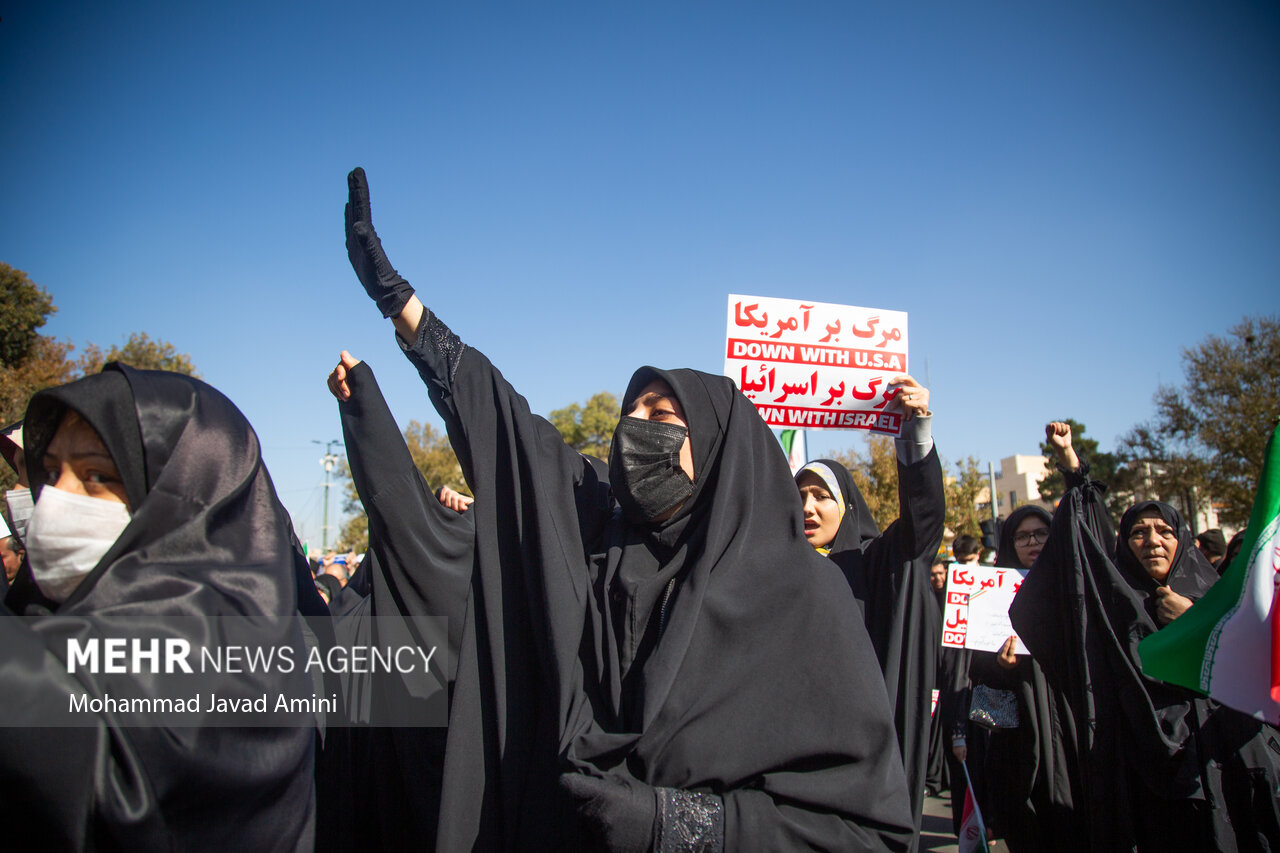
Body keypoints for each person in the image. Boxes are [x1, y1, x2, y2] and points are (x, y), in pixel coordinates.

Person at [338, 166, 914, 851]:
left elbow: (865, 830)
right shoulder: (601, 548)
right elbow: (514, 435)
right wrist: (401, 305)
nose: (635, 429)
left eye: (662, 415)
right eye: (629, 414)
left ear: (720, 452)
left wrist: (680, 826)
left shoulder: (804, 596)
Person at [0, 364, 315, 852]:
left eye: (97, 476)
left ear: (182, 500)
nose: (55, 502)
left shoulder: (206, 668)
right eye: (51, 473)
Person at [1010, 421, 1280, 851]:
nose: (1152, 541)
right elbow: (1085, 545)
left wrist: (1195, 622)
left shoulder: (1221, 600)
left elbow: (1259, 660)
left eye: (1164, 531)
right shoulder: (1115, 608)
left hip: (1230, 769)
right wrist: (1071, 467)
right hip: (1147, 781)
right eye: (1138, 532)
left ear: (1183, 541)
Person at [792, 387, 944, 849]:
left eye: (821, 496)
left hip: (859, 758)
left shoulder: (874, 562)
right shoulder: (774, 567)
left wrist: (914, 431)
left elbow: (922, 522)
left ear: (847, 506)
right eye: (798, 495)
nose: (807, 508)